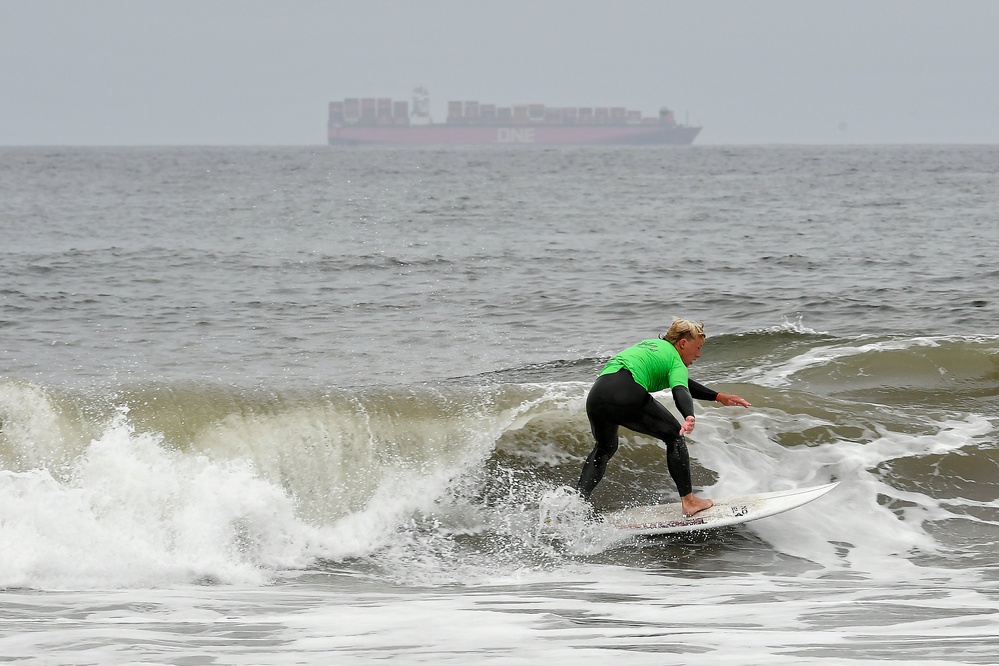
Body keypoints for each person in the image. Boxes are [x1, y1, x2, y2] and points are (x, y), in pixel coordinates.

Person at [577, 318, 750, 516]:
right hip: (627, 391)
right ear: (683, 343)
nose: (699, 355)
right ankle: (689, 501)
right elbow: (680, 389)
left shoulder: (653, 346)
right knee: (674, 437)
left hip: (597, 394)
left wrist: (718, 397)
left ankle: (577, 504)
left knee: (604, 449)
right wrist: (688, 415)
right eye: (698, 348)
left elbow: (682, 383)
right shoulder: (676, 361)